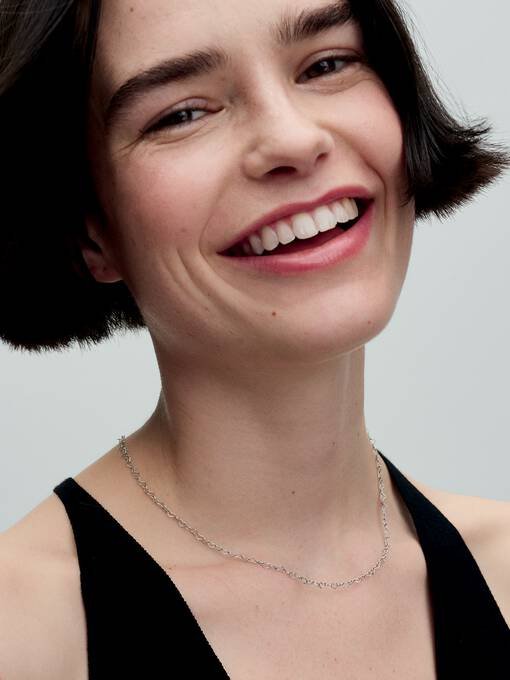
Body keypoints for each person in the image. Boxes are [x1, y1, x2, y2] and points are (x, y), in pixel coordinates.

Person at [0, 0, 509, 677]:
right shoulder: (22, 632)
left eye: (327, 64)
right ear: (91, 229)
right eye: (183, 113)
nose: (293, 140)